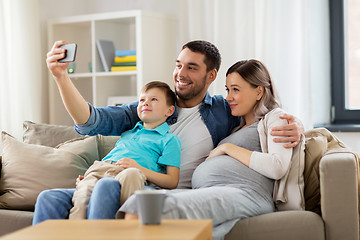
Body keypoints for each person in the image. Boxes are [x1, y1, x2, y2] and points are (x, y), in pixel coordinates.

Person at [33, 40, 303, 224]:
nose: (180, 73)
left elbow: (261, 116)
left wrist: (298, 127)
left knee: (104, 189)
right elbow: (92, 120)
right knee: (50, 198)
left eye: (191, 67)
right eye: (178, 64)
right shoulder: (154, 104)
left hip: (153, 189)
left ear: (211, 76)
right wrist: (61, 77)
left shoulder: (223, 110)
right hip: (111, 177)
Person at [120, 59, 305, 240]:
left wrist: (227, 148)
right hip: (211, 190)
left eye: (236, 90)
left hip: (244, 193)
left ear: (259, 92)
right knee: (140, 200)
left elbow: (277, 166)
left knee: (143, 207)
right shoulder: (235, 123)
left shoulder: (275, 118)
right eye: (227, 89)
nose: (228, 97)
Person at [68, 81, 181, 219]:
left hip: (130, 173)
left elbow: (172, 181)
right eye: (142, 100)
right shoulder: (128, 132)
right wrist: (87, 179)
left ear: (169, 111)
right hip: (101, 168)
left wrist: (139, 169)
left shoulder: (169, 140)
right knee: (82, 201)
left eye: (154, 99)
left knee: (132, 174)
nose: (145, 103)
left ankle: (127, 228)